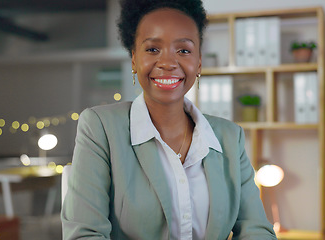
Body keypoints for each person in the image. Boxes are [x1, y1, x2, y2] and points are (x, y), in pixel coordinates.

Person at [61, 0, 277, 239]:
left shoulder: (229, 136)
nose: (168, 63)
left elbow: (257, 229)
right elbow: (85, 234)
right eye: (153, 49)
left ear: (199, 62)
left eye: (183, 50)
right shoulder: (100, 127)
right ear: (134, 59)